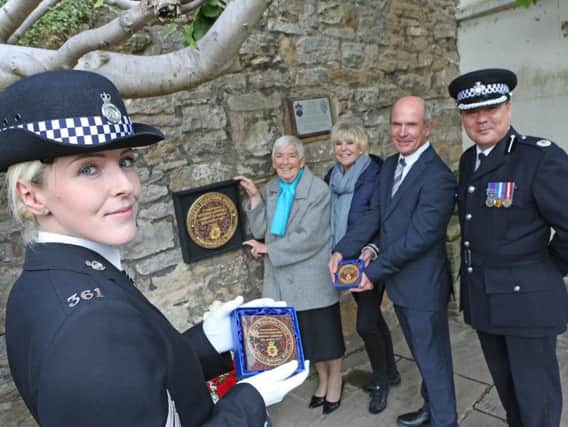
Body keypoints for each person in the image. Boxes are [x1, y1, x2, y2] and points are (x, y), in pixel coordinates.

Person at [1, 70, 309, 427]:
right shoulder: (89, 325)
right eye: (88, 169)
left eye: (126, 161)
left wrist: (207, 341)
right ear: (32, 195)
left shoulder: (51, 278)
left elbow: (137, 375)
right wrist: (249, 402)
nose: (124, 185)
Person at [449, 68, 568, 427]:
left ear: (508, 107)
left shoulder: (540, 158)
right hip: (485, 299)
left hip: (527, 302)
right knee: (510, 395)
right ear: (462, 116)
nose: (482, 119)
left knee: (537, 402)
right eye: (471, 112)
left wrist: (545, 268)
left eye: (491, 108)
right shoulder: (470, 160)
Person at [349, 96, 458, 427]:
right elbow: (381, 216)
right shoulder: (391, 165)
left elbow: (419, 237)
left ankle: (445, 421)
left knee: (434, 361)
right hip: (401, 286)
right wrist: (356, 249)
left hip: (424, 288)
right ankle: (431, 410)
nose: (402, 131)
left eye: (411, 124)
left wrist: (374, 271)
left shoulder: (438, 176)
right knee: (424, 359)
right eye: (397, 124)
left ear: (428, 128)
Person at [235, 136, 345, 415]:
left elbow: (309, 238)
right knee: (307, 339)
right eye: (279, 156)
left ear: (302, 160)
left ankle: (336, 382)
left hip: (311, 277)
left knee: (327, 338)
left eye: (291, 156)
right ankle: (322, 380)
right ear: (273, 162)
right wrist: (255, 198)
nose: (285, 162)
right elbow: (261, 230)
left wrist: (268, 249)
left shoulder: (318, 190)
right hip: (283, 280)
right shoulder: (271, 189)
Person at [325, 121, 400, 415]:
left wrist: (372, 248)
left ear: (361, 146)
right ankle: (391, 372)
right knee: (373, 316)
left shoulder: (375, 173)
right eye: (339, 143)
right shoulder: (332, 176)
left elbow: (382, 215)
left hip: (369, 257)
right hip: (343, 259)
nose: (344, 149)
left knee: (366, 323)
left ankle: (381, 382)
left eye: (350, 143)